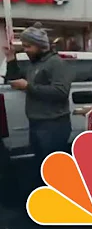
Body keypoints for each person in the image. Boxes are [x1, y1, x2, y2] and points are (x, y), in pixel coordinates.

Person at [4, 22, 73, 186]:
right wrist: (11, 59)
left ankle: (62, 201)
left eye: (28, 46)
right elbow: (14, 80)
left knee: (53, 167)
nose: (25, 50)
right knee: (41, 166)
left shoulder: (56, 63)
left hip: (54, 126)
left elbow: (61, 92)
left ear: (39, 45)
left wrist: (28, 86)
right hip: (37, 124)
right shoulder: (35, 64)